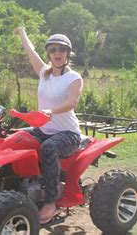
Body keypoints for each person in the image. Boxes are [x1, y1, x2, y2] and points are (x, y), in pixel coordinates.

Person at [14, 27, 83, 224]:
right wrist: (21, 32)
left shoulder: (74, 78)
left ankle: (51, 202)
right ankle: (17, 188)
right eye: (53, 50)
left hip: (67, 134)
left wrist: (50, 112)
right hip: (44, 130)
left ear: (68, 53)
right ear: (49, 53)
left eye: (61, 49)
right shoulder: (44, 73)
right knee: (15, 138)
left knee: (49, 148)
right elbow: (30, 50)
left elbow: (72, 103)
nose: (57, 53)